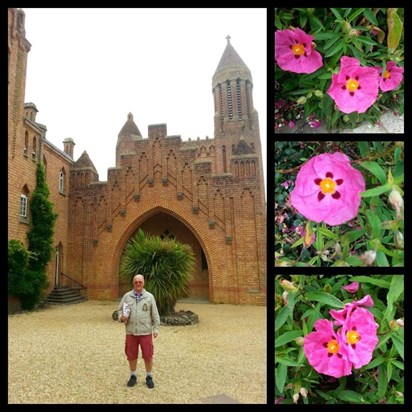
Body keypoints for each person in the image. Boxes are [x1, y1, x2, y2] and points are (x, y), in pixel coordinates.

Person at [118, 274, 160, 389]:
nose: (138, 284)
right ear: (133, 283)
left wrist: (156, 329)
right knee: (131, 355)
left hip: (145, 332)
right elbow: (120, 309)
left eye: (140, 282)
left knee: (148, 355)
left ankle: (149, 377)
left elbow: (155, 314)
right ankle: (133, 376)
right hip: (131, 332)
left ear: (143, 283)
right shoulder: (127, 296)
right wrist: (121, 317)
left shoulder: (149, 297)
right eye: (136, 282)